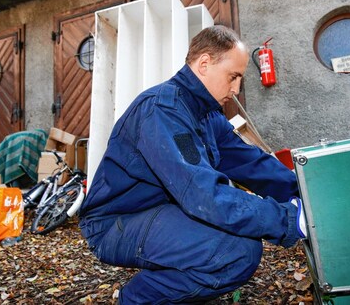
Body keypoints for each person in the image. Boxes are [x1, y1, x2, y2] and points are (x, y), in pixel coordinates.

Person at [79, 25, 307, 304]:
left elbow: (249, 162)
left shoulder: (207, 116)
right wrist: (288, 219)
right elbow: (202, 194)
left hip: (159, 211)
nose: (235, 90)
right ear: (204, 64)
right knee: (234, 253)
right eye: (233, 77)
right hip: (116, 222)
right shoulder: (162, 110)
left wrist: (304, 190)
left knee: (241, 246)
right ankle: (137, 300)